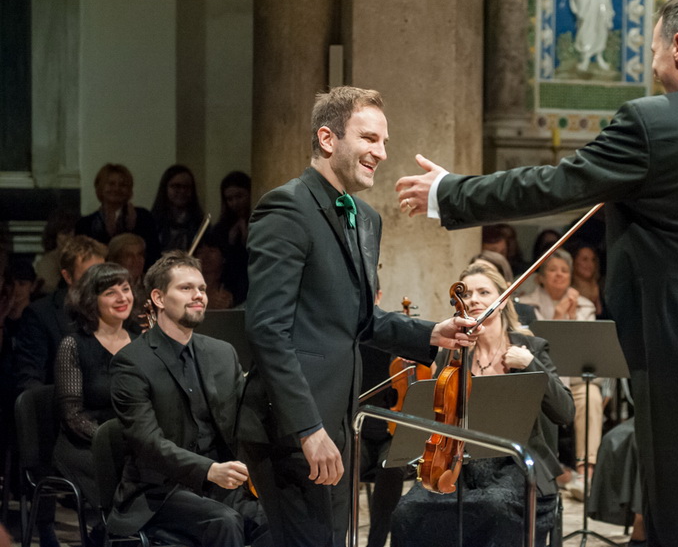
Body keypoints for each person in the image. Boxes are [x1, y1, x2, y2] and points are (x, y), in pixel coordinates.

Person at [397, 0, 678, 545]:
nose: (650, 61)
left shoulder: (653, 123)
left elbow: (558, 184)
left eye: (650, 48)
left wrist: (451, 192)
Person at [237, 86, 478, 547]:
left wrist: (434, 333)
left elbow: (360, 320)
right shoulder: (286, 208)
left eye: (384, 142)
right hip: (290, 427)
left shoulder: (366, 218)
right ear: (328, 139)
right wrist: (307, 429)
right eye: (369, 139)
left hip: (338, 421)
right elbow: (266, 330)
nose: (382, 153)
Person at [390, 263, 574, 547]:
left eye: (484, 292)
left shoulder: (532, 348)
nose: (473, 299)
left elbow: (565, 412)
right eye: (467, 294)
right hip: (459, 465)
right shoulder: (451, 356)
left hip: (515, 465)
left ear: (502, 301)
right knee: (407, 510)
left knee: (494, 506)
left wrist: (530, 365)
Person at [107, 252, 267, 546]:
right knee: (225, 523)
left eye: (202, 289)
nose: (199, 296)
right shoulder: (131, 362)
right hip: (159, 491)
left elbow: (246, 421)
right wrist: (208, 470)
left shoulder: (222, 353)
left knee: (276, 521)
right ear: (158, 297)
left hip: (219, 484)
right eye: (186, 288)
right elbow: (147, 444)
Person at [53, 263, 135, 517]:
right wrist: (115, 442)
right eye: (110, 292)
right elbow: (73, 417)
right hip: (87, 443)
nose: (122, 297)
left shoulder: (142, 341)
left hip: (133, 438)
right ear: (91, 300)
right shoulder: (73, 345)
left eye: (125, 288)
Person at [518, 249, 601, 484]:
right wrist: (557, 316)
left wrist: (572, 318)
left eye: (564, 271)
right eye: (552, 270)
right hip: (538, 382)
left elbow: (588, 351)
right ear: (541, 277)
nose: (559, 275)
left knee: (591, 395)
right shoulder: (525, 304)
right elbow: (533, 348)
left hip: (572, 379)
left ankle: (587, 467)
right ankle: (548, 466)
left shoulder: (585, 306)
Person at [16, 235, 107, 392]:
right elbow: (30, 379)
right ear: (67, 276)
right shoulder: (41, 314)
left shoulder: (113, 308)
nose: (96, 282)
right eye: (87, 275)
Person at [75, 164, 160, 266]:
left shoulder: (143, 217)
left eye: (123, 185)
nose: (116, 188)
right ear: (100, 187)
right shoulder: (85, 224)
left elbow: (153, 254)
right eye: (111, 184)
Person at [209, 170, 252, 303]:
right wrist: (230, 243)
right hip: (230, 287)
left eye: (239, 196)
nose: (235, 203)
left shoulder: (262, 222)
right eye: (229, 199)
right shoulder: (221, 228)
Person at [151, 164, 205, 253]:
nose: (182, 191)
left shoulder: (200, 222)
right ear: (165, 188)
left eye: (187, 187)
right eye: (176, 186)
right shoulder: (152, 221)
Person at [572, 243, 607, 318]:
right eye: (585, 259)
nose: (590, 264)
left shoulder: (601, 288)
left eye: (593, 260)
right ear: (574, 262)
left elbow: (604, 319)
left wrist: (597, 300)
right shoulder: (566, 288)